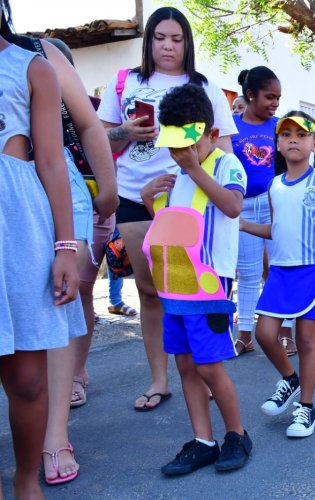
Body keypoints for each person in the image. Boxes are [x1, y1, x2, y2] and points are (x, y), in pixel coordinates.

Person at [97, 6, 238, 410]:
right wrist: (127, 131)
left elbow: (223, 147)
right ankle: (161, 379)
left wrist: (201, 177)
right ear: (149, 41)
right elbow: (100, 141)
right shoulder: (125, 82)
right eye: (160, 38)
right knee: (150, 291)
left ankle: (205, 371)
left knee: (193, 288)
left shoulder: (206, 85)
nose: (168, 46)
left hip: (190, 201)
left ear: (187, 43)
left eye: (177, 39)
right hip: (134, 196)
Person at [139, 84, 251, 475]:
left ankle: (236, 434)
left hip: (209, 284)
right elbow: (173, 225)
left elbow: (233, 206)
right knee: (185, 364)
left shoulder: (225, 164)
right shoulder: (176, 171)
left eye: (187, 144)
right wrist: (146, 195)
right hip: (175, 285)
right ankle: (203, 440)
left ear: (212, 135)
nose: (179, 153)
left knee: (209, 367)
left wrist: (194, 169)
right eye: (173, 145)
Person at [1, 4, 84, 495]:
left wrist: (65, 248)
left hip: (18, 227)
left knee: (28, 378)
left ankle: (26, 480)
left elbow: (52, 162)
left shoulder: (32, 66)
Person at [240, 111, 315, 437]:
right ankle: (290, 379)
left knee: (306, 341)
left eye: (301, 134)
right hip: (281, 273)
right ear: (278, 146)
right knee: (265, 334)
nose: (293, 139)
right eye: (286, 135)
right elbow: (276, 228)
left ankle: (307, 409)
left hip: (313, 269)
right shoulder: (274, 185)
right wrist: (243, 225)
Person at [231, 66, 297, 357]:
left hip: (277, 205)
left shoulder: (282, 127)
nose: (275, 103)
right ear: (250, 95)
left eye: (278, 98)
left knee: (281, 267)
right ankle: (245, 334)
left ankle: (286, 331)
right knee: (248, 272)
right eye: (269, 97)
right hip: (243, 207)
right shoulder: (231, 127)